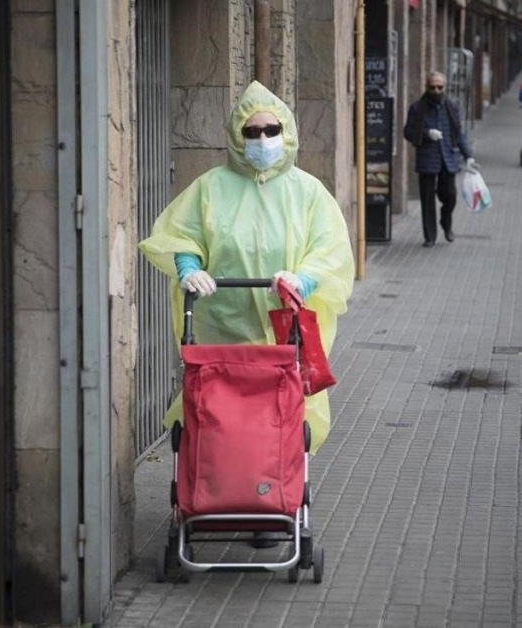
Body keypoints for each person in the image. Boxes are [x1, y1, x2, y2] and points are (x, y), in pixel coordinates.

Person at [139, 81, 355, 461]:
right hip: (220, 327)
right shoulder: (210, 187)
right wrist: (188, 267)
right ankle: (216, 482)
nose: (262, 139)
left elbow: (329, 249)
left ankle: (275, 484)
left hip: (282, 329)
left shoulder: (308, 192)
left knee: (278, 417)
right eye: (251, 131)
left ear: (286, 132)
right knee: (221, 416)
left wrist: (301, 279)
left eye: (271, 130)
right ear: (237, 137)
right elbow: (184, 233)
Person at [403, 71, 475, 247]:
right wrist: (427, 134)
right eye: (432, 87)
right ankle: (430, 236)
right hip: (427, 158)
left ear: (444, 87)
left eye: (439, 87)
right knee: (427, 199)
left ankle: (446, 222)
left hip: (448, 158)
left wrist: (469, 156)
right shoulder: (417, 108)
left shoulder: (452, 106)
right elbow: (408, 132)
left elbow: (459, 134)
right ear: (426, 87)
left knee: (450, 196)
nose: (436, 90)